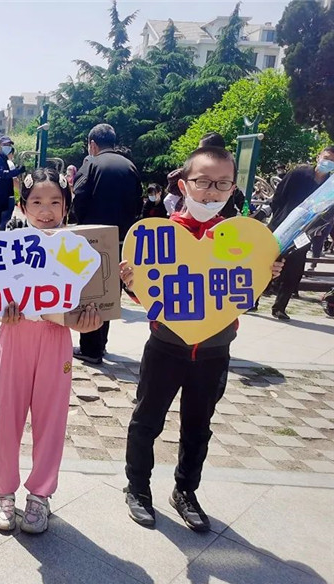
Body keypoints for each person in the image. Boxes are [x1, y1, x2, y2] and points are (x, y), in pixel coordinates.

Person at [120, 146, 284, 532]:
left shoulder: (243, 239)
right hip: (166, 345)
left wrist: (268, 271)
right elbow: (146, 295)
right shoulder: (159, 234)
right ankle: (137, 487)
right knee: (147, 419)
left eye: (223, 184)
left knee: (198, 425)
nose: (212, 192)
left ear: (233, 188)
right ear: (184, 185)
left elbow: (244, 292)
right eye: (203, 182)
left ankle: (185, 490)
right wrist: (131, 283)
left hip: (214, 350)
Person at [0, 168, 102, 534]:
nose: (46, 210)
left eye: (55, 202)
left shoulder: (79, 251)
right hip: (15, 337)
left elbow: (92, 303)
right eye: (36, 202)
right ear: (22, 207)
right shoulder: (6, 248)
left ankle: (40, 494)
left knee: (52, 420)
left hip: (56, 341)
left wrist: (88, 322)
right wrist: (1, 310)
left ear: (66, 207)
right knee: (7, 418)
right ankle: (3, 492)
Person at [71, 123, 141, 365]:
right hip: (121, 239)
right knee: (110, 292)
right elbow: (138, 203)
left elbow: (79, 199)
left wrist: (79, 224)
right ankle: (101, 343)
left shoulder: (91, 164)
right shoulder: (129, 166)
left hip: (93, 239)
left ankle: (90, 348)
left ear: (92, 144)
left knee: (91, 292)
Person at [269, 146, 334, 319]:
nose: (328, 163)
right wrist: (280, 218)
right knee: (269, 262)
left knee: (294, 269)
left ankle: (280, 307)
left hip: (305, 232)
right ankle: (254, 300)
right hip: (282, 227)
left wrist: (319, 228)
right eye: (326, 158)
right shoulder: (298, 174)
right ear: (318, 157)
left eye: (332, 161)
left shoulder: (330, 186)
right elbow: (279, 196)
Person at [0, 136, 26, 231]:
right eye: (5, 144)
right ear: (0, 146)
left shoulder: (3, 160)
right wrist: (17, 171)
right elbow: (1, 174)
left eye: (9, 145)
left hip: (1, 197)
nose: (8, 147)